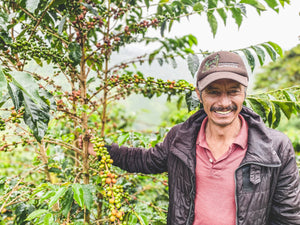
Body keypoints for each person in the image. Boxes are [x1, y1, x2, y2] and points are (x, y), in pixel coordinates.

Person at [88, 51, 300, 224]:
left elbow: (288, 216)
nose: (224, 102)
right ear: (199, 95)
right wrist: (101, 150)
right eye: (213, 92)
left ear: (244, 93)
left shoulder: (276, 148)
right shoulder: (180, 138)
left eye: (233, 92)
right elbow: (146, 160)